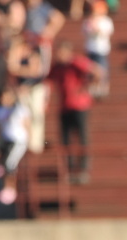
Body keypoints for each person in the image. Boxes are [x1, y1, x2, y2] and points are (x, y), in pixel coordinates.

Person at [46, 41, 104, 184]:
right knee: (65, 141)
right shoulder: (58, 67)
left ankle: (83, 169)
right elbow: (46, 79)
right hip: (64, 107)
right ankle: (69, 169)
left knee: (82, 139)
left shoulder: (75, 62)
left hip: (80, 106)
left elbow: (97, 71)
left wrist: (90, 86)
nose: (59, 55)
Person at [82, 0, 114, 97]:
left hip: (102, 50)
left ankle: (103, 87)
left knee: (102, 69)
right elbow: (85, 31)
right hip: (91, 49)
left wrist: (97, 29)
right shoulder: (88, 21)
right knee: (91, 70)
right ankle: (92, 87)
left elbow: (107, 32)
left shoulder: (106, 21)